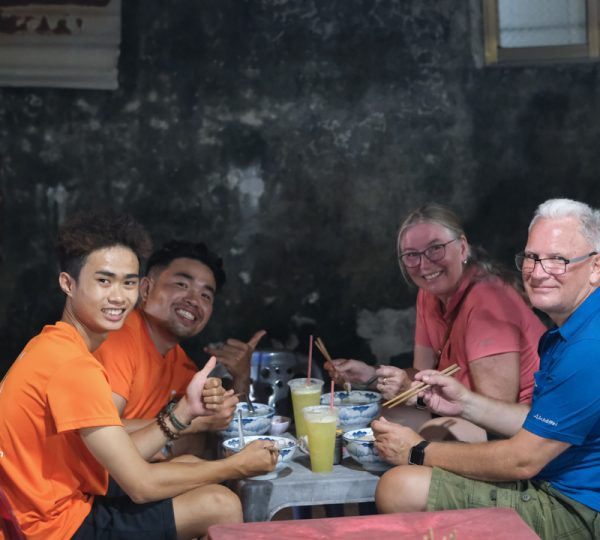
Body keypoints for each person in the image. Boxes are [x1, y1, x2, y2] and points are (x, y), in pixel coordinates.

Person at [0, 211, 277, 540]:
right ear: (68, 284)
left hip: (55, 504)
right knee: (220, 502)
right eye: (104, 280)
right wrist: (238, 466)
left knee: (190, 466)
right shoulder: (74, 365)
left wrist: (186, 410)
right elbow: (141, 486)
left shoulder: (56, 344)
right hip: (50, 528)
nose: (119, 296)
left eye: (127, 282)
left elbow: (121, 451)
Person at [373, 198, 600, 539]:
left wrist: (418, 452)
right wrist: (465, 402)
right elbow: (539, 423)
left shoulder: (587, 346)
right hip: (550, 475)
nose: (538, 273)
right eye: (532, 258)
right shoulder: (574, 325)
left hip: (575, 510)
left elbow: (523, 459)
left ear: (596, 267)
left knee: (399, 486)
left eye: (559, 260)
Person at [325, 203, 545, 439]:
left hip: (524, 425)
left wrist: (412, 394)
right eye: (411, 255)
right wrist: (371, 375)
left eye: (436, 248)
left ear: (462, 248)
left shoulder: (486, 302)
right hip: (464, 409)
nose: (424, 264)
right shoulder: (428, 295)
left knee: (432, 434)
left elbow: (493, 412)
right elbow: (422, 374)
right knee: (387, 418)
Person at [94, 240, 266, 458]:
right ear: (146, 289)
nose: (194, 300)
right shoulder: (120, 338)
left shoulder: (182, 365)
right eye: (182, 285)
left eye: (205, 295)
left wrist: (241, 377)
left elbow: (225, 430)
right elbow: (101, 434)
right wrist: (190, 423)